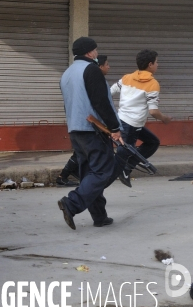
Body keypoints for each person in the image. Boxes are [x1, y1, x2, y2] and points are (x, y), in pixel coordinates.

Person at [58, 38, 122, 230]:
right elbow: (100, 102)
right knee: (103, 171)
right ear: (89, 53)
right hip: (93, 129)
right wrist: (114, 128)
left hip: (75, 129)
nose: (97, 53)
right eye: (95, 50)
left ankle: (100, 216)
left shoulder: (67, 73)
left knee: (89, 174)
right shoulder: (91, 70)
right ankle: (72, 202)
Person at [110, 49, 172, 187]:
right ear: (150, 64)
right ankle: (117, 173)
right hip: (132, 124)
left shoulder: (127, 78)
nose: (158, 65)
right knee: (125, 152)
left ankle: (125, 167)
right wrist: (164, 118)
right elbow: (153, 111)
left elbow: (110, 92)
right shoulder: (152, 84)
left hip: (123, 120)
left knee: (152, 142)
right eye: (157, 62)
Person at [56, 55, 111, 187]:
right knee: (99, 166)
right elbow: (102, 104)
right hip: (90, 127)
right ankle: (75, 197)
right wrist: (113, 126)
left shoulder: (69, 75)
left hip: (76, 125)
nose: (109, 67)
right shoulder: (92, 79)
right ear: (100, 67)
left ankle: (72, 181)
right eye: (107, 64)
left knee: (82, 157)